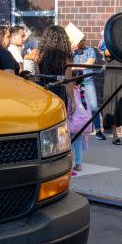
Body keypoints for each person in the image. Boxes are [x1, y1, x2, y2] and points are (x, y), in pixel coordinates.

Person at [36, 25, 88, 173]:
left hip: (44, 96)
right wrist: (72, 101)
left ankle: (48, 163)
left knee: (46, 129)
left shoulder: (39, 55)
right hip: (59, 95)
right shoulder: (66, 57)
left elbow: (38, 78)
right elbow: (68, 82)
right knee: (61, 130)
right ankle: (63, 165)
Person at [71, 31, 105, 140]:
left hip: (88, 80)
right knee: (75, 106)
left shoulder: (89, 50)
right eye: (81, 40)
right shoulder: (71, 52)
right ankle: (77, 128)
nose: (84, 42)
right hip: (76, 82)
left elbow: (90, 63)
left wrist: (75, 67)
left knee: (93, 106)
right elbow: (67, 66)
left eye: (84, 40)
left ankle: (98, 130)